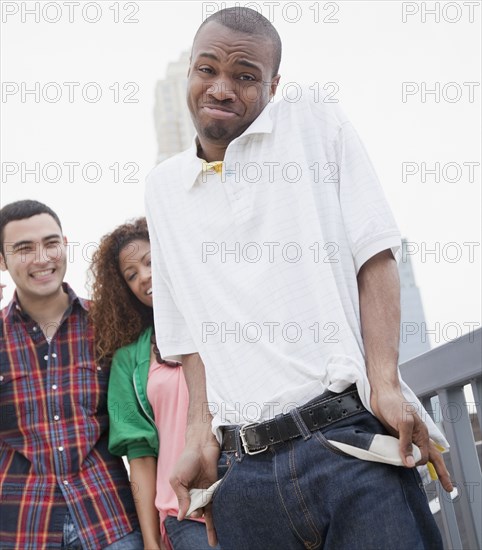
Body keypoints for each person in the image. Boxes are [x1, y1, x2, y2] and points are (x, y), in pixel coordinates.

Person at [145, 7, 453, 549]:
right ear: (191, 71)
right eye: (207, 68)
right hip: (243, 475)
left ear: (274, 85)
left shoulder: (314, 122)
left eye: (244, 75)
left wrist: (384, 381)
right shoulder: (163, 188)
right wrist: (198, 432)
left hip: (348, 446)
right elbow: (187, 332)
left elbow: (374, 253)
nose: (221, 87)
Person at [0, 200, 142, 549]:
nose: (42, 258)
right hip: (21, 528)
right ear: (1, 260)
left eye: (51, 243)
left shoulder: (110, 324)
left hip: (111, 521)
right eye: (23, 248)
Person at [89, 217, 220, 550]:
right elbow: (141, 459)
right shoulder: (129, 360)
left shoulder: (222, 323)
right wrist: (150, 541)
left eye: (150, 262)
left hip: (252, 496)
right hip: (186, 514)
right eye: (131, 275)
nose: (144, 276)